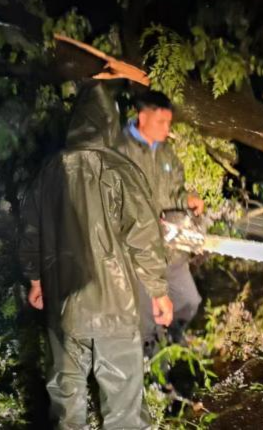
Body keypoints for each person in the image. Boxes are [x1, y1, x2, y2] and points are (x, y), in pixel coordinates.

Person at [20, 83, 173, 429]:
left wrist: (34, 279)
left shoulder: (49, 171)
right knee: (123, 411)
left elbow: (29, 230)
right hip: (115, 309)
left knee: (66, 403)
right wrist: (159, 291)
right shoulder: (121, 170)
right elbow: (145, 238)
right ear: (109, 126)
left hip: (64, 306)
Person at [114, 90, 205, 353]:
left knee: (189, 301)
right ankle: (155, 373)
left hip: (171, 249)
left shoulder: (167, 154)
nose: (167, 129)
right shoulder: (118, 151)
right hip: (138, 254)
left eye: (169, 123)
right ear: (142, 117)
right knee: (147, 322)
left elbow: (176, 191)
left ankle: (173, 338)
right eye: (161, 122)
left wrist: (187, 199)